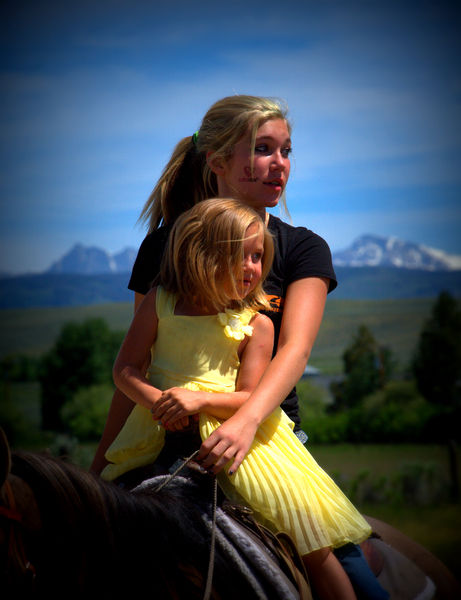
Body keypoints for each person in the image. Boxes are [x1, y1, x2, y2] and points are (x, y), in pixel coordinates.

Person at [91, 95, 388, 599]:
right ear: (219, 162)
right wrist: (99, 466)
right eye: (263, 149)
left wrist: (245, 422)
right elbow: (143, 361)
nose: (280, 164)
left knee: (344, 566)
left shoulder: (302, 247)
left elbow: (294, 351)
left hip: (265, 437)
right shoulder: (166, 248)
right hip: (164, 439)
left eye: (286, 151)